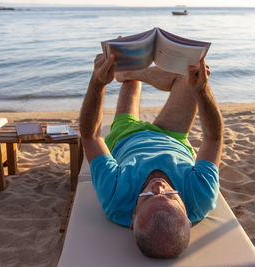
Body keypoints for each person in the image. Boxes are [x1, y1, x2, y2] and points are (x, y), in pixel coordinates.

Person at [79, 53, 224, 258]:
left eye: (147, 197)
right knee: (190, 75)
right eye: (170, 195)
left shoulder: (114, 197)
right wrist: (202, 89)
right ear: (188, 217)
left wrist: (97, 82)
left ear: (133, 218)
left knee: (130, 85)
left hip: (127, 137)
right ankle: (130, 68)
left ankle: (128, 64)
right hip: (173, 138)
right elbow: (214, 138)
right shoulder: (201, 196)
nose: (158, 186)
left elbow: (91, 137)